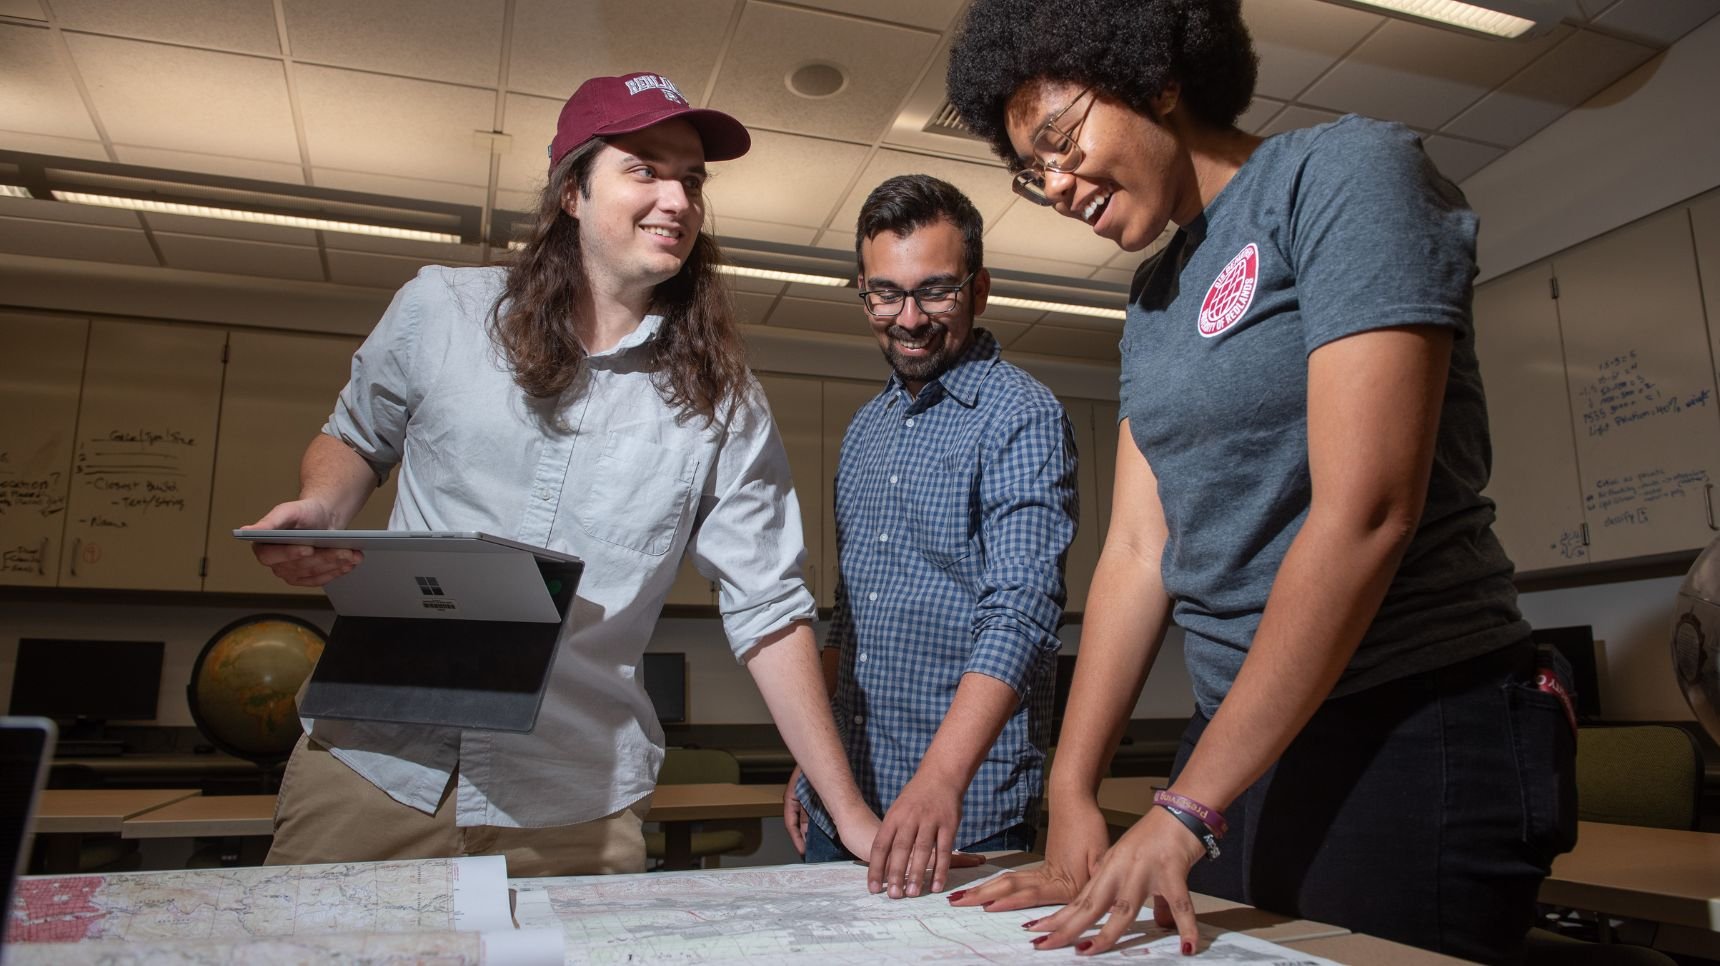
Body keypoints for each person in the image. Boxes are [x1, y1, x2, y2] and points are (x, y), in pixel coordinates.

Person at [942, 2, 1576, 962]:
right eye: (1034, 173)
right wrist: (1073, 792)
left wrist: (1188, 805)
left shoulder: (1343, 174)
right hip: (1239, 747)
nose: (1058, 185)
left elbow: (1367, 512)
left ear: (1156, 74)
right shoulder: (1153, 299)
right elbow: (1137, 549)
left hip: (1410, 719)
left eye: (1064, 142)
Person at [244, 71, 881, 877]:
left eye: (691, 179)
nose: (677, 199)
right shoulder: (441, 309)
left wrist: (850, 813)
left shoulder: (723, 399)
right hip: (376, 766)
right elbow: (355, 439)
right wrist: (321, 505)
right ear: (572, 192)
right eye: (644, 169)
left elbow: (768, 608)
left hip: (574, 801)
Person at [784, 175, 1079, 899]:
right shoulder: (864, 431)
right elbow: (846, 615)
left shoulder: (1022, 415)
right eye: (885, 293)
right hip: (844, 802)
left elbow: (1021, 611)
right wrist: (815, 757)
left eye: (935, 291)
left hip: (960, 814)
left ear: (979, 290)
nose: (908, 318)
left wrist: (938, 779)